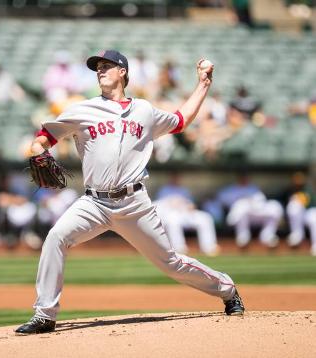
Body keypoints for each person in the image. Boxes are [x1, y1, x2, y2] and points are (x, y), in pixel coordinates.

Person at [15, 50, 244, 335]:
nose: (100, 70)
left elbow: (181, 120)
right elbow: (45, 137)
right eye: (97, 67)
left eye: (106, 66)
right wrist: (38, 148)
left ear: (122, 71)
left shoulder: (144, 111)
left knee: (170, 263)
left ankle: (227, 290)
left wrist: (203, 85)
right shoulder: (82, 109)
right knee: (55, 238)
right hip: (94, 202)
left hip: (134, 203)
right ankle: (45, 315)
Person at [155, 174, 219, 256]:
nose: (176, 179)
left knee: (205, 218)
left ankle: (209, 247)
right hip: (172, 213)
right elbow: (161, 205)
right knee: (172, 222)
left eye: (177, 178)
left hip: (186, 213)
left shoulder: (184, 190)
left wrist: (190, 206)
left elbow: (190, 203)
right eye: (174, 178)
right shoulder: (164, 190)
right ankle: (179, 248)